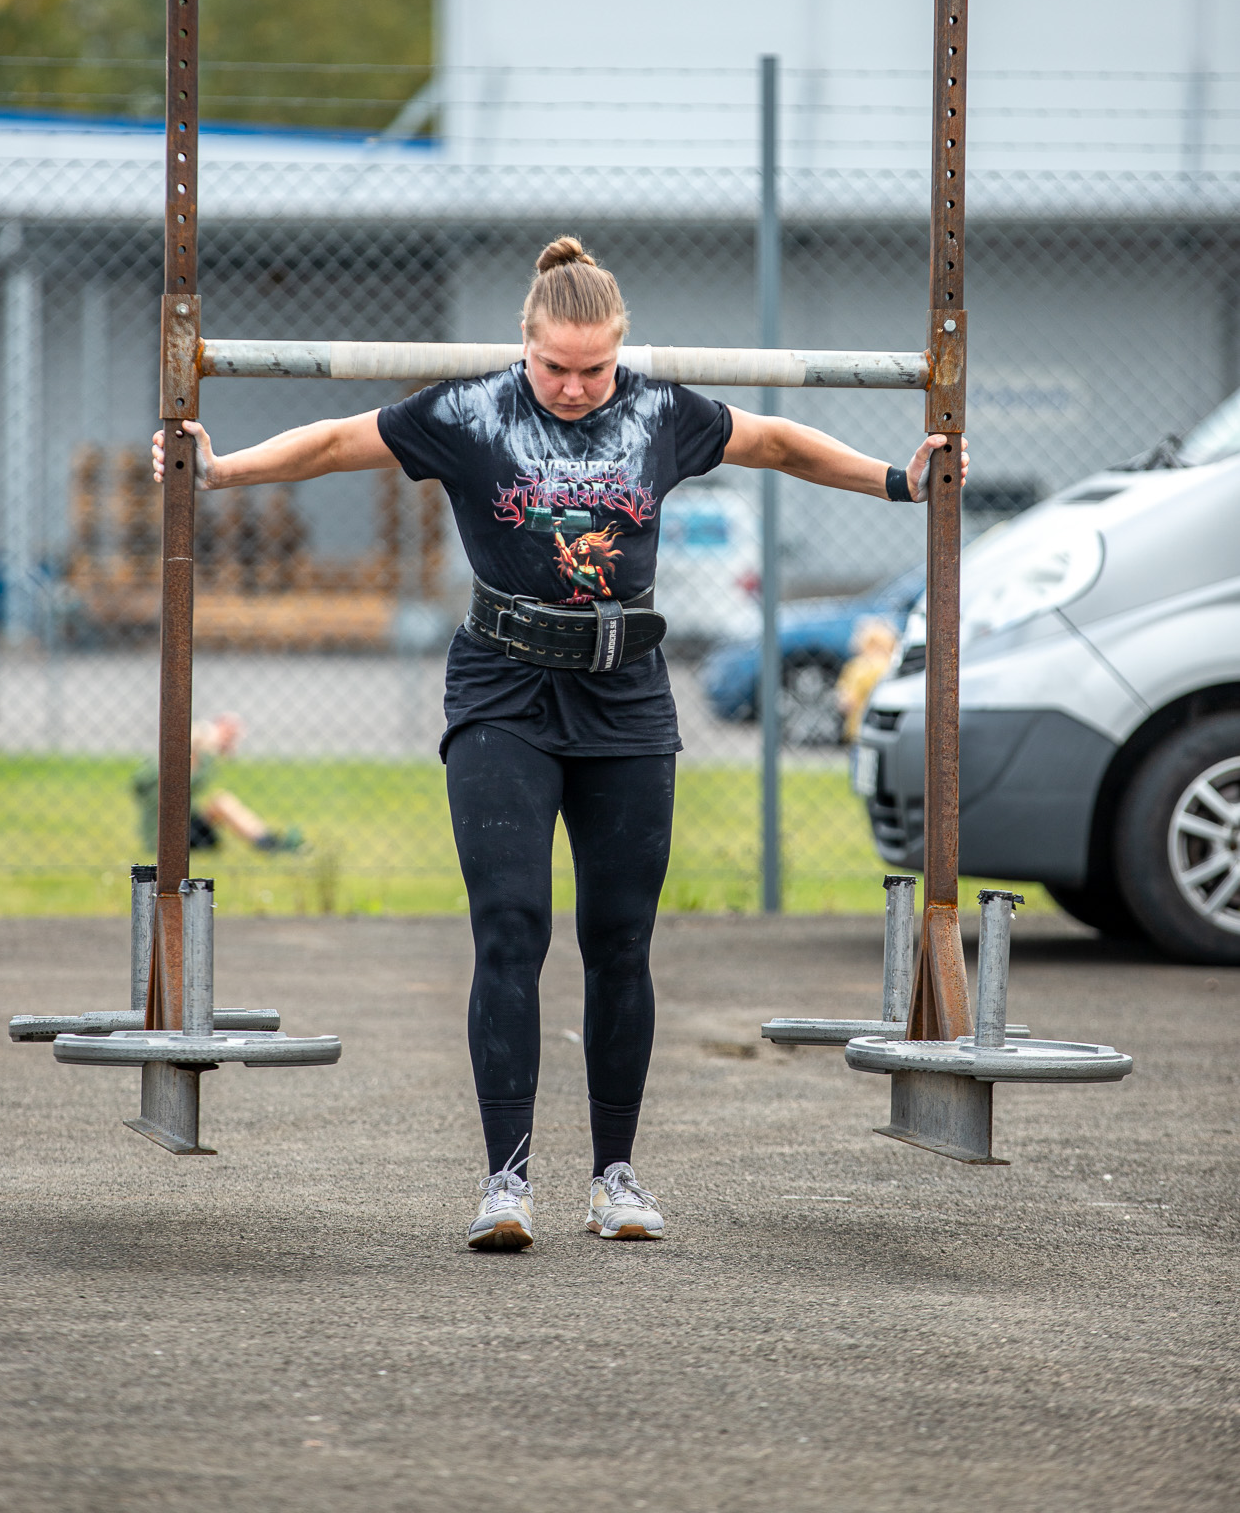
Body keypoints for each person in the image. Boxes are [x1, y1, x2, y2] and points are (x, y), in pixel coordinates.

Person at [152, 236, 965, 1250]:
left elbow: (780, 444)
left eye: (594, 368)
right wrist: (217, 469)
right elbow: (329, 443)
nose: (575, 387)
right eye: (554, 367)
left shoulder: (662, 413)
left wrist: (899, 480)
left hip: (625, 695)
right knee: (510, 927)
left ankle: (615, 1176)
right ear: (524, 345)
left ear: (620, 349)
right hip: (503, 689)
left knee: (620, 938)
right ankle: (506, 1180)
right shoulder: (469, 412)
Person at [131, 712, 304, 858]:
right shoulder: (162, 765)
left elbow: (193, 780)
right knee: (222, 802)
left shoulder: (202, 763)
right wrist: (198, 743)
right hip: (165, 837)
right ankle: (270, 845)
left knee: (220, 802)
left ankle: (269, 842)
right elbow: (140, 784)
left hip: (186, 827)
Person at [835, 616, 902, 743]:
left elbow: (847, 702)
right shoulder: (893, 666)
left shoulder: (857, 667)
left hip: (859, 729)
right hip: (887, 728)